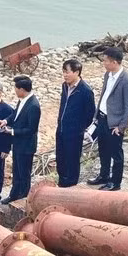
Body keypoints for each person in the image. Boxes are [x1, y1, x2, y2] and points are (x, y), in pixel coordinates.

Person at [87, 47, 128, 191]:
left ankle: (115, 182)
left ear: (115, 62)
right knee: (103, 149)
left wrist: (121, 126)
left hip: (115, 123)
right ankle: (103, 176)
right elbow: (104, 96)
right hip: (103, 118)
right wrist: (96, 116)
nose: (104, 63)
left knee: (116, 153)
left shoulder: (127, 80)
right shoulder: (107, 75)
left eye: (106, 61)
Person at [0, 76, 41, 204]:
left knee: (24, 174)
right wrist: (5, 121)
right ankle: (14, 195)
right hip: (17, 144)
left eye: (16, 88)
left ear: (22, 89)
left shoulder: (33, 106)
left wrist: (11, 131)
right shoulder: (22, 100)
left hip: (26, 146)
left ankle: (23, 199)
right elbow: (15, 114)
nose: (14, 91)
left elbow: (31, 129)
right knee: (16, 171)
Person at [55, 59, 96, 187]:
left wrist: (78, 128)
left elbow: (90, 114)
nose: (65, 75)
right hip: (61, 129)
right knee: (60, 159)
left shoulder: (85, 91)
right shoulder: (64, 86)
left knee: (72, 161)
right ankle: (61, 184)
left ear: (77, 72)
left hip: (74, 133)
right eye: (63, 72)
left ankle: (71, 187)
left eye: (67, 72)